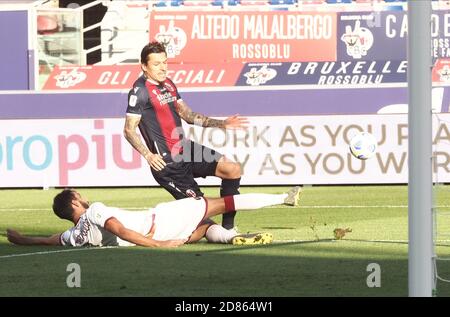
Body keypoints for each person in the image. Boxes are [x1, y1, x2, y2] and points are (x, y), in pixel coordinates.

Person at [123, 41, 248, 230]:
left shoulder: (169, 85)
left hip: (186, 149)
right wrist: (148, 155)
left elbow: (188, 116)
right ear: (144, 66)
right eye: (156, 64)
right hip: (168, 164)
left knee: (232, 169)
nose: (163, 67)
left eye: (165, 62)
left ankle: (229, 229)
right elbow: (129, 130)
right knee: (203, 214)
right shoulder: (139, 92)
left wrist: (222, 124)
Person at [6, 187, 302, 248]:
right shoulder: (94, 210)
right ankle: (282, 198)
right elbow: (119, 230)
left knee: (201, 229)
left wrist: (21, 240)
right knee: (220, 204)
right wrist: (160, 246)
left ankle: (233, 237)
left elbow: (48, 240)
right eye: (78, 194)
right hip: (157, 224)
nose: (83, 195)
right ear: (74, 201)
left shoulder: (75, 237)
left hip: (156, 234)